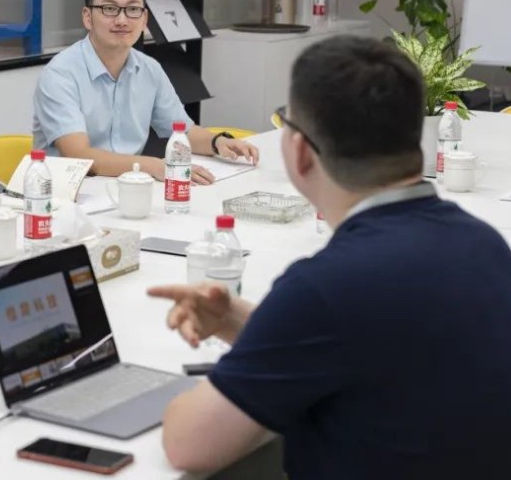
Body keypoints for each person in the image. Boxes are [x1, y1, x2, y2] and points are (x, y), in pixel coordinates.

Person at [149, 35, 511, 478]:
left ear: (300, 151)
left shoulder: (325, 287)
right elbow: (376, 344)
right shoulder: (483, 244)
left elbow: (188, 445)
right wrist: (248, 324)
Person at [32, 0, 259, 184]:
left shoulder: (149, 69)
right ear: (87, 17)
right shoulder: (60, 75)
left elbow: (182, 131)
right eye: (109, 9)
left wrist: (218, 142)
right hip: (66, 195)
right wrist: (153, 166)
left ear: (144, 19)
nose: (122, 20)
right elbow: (78, 156)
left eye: (132, 10)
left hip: (130, 187)